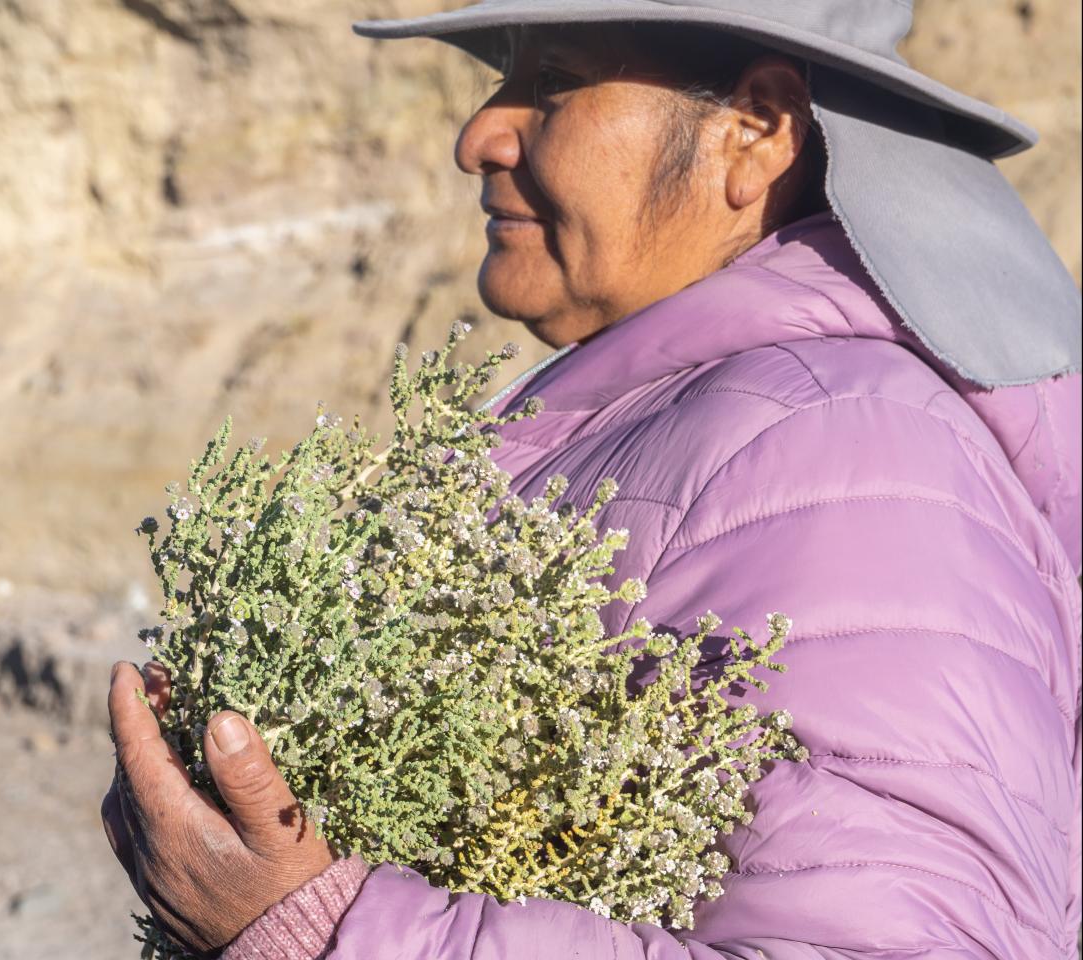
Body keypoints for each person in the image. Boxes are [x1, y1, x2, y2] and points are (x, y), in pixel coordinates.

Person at [101, 3, 1083, 958]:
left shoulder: (841, 446)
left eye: (557, 81)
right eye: (503, 83)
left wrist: (315, 931)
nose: (477, 135)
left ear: (753, 130)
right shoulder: (679, 420)